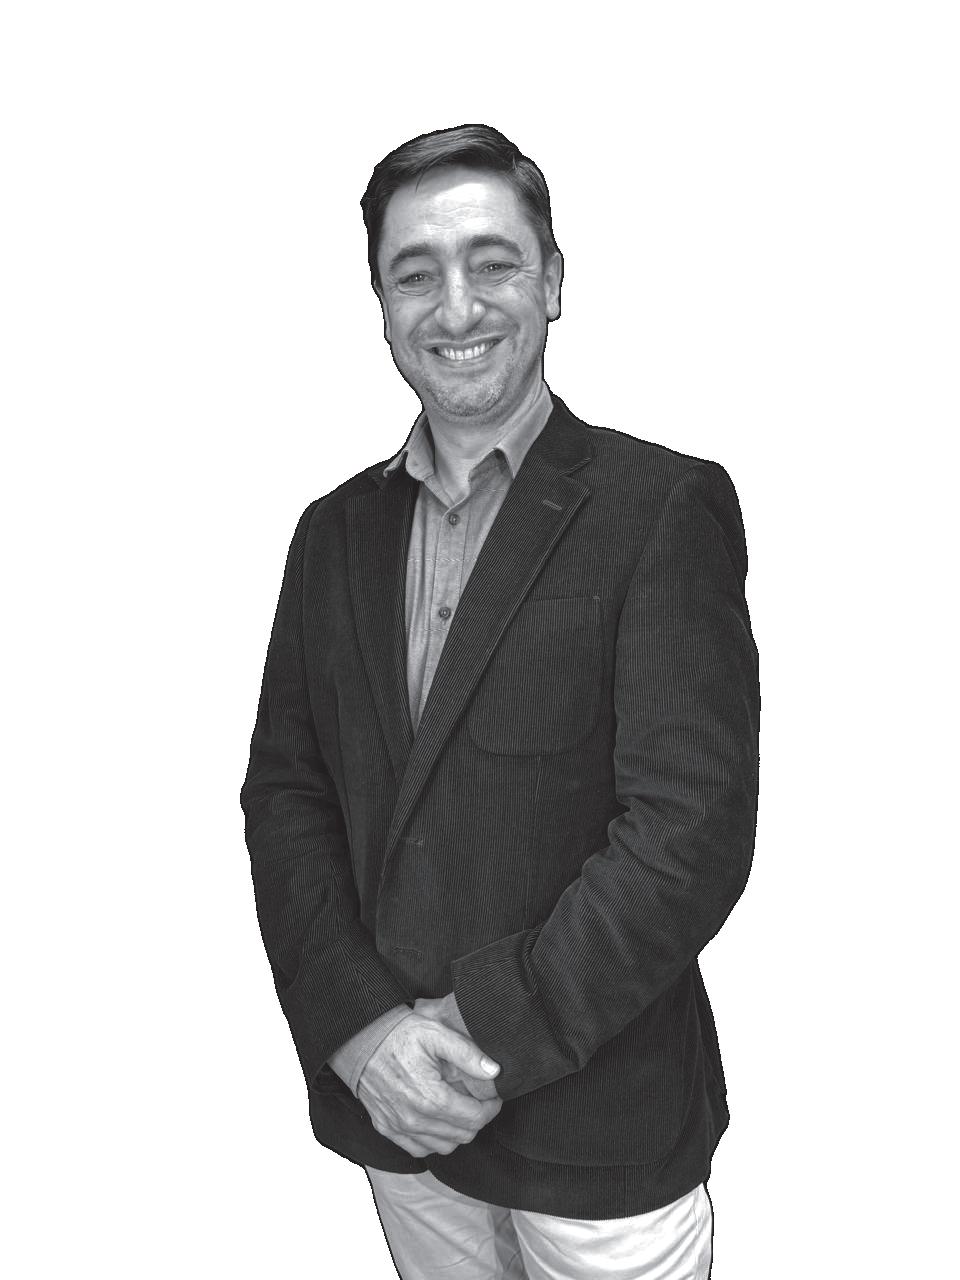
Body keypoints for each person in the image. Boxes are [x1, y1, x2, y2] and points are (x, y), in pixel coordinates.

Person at [240, 123, 760, 1280]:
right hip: (396, 1119)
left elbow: (689, 832)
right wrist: (364, 1032)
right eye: (414, 273)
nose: (456, 305)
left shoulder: (660, 505)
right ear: (381, 305)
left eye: (494, 261)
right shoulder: (330, 534)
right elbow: (288, 795)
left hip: (600, 1134)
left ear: (554, 281)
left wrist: (470, 1036)